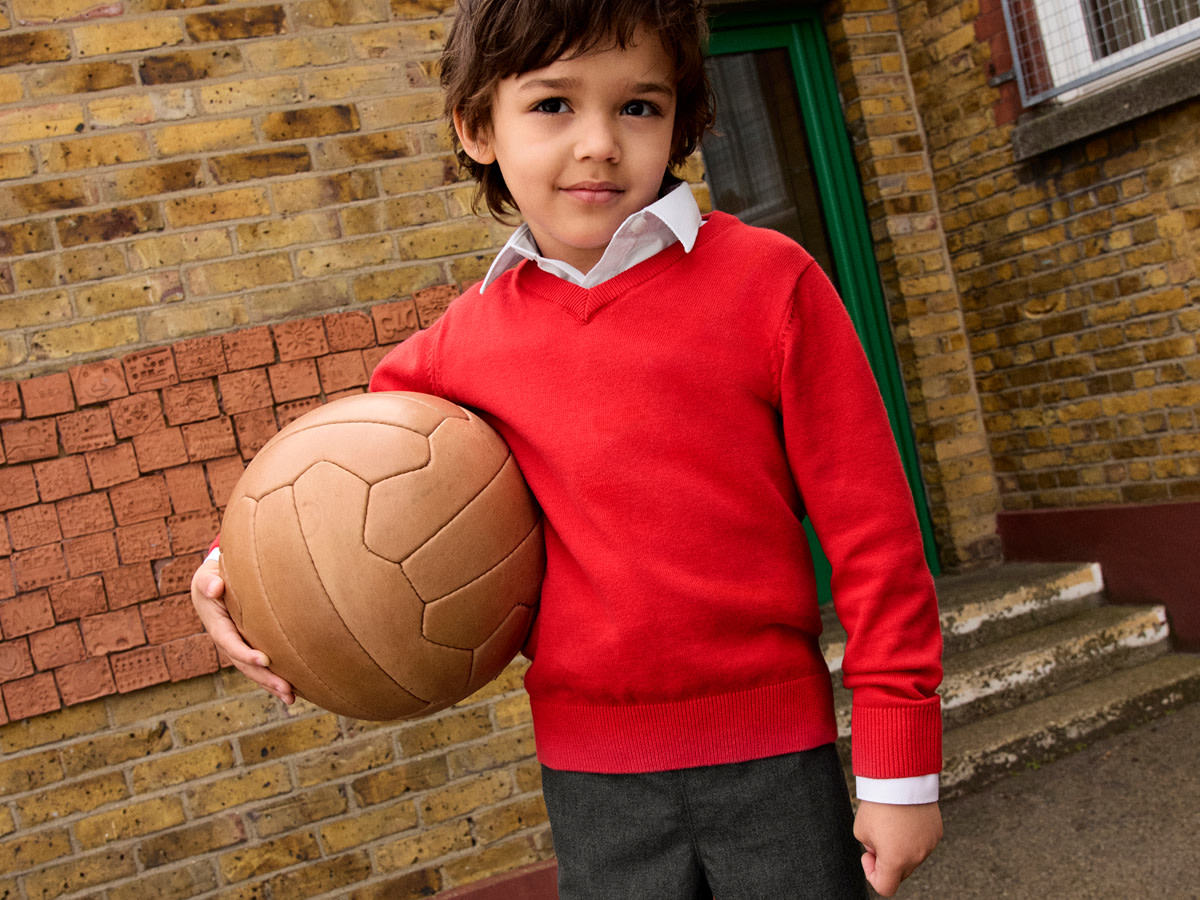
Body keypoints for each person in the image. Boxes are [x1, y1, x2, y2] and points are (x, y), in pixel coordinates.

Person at [192, 0, 944, 896]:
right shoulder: (459, 348)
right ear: (478, 127)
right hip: (594, 783)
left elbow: (877, 539)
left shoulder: (771, 284)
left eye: (639, 106)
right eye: (553, 105)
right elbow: (333, 486)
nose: (599, 143)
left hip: (778, 757)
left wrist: (901, 771)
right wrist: (231, 570)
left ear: (681, 120)